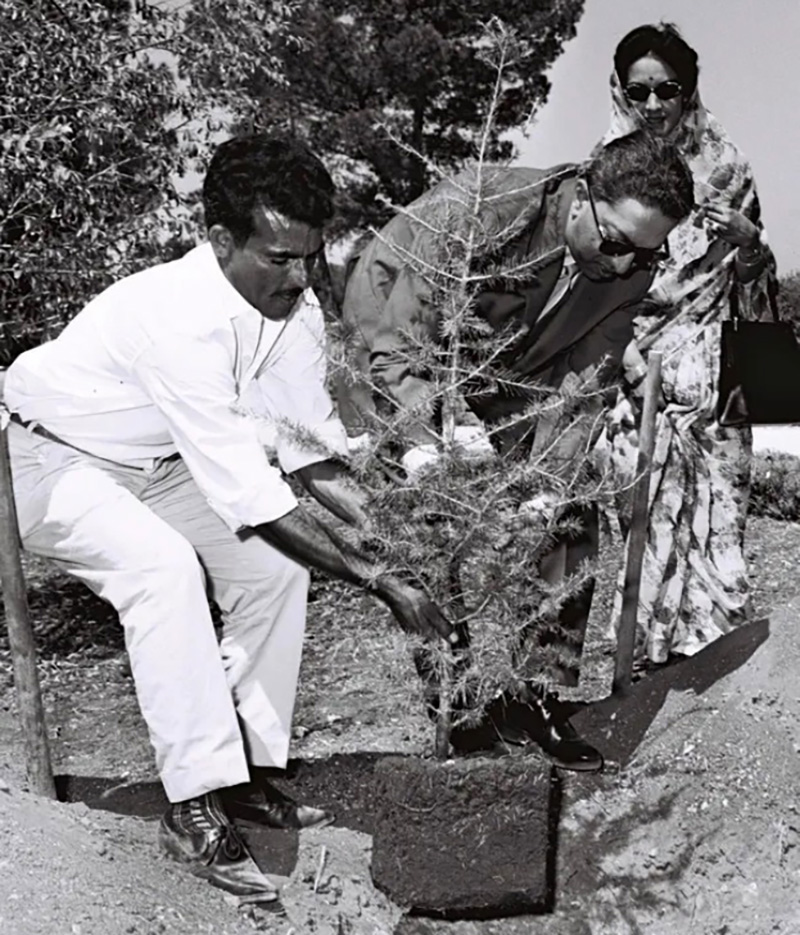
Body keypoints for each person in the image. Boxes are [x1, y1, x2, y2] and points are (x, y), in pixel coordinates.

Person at [1, 135, 454, 902]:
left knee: (273, 569)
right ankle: (193, 804)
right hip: (46, 459)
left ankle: (244, 773)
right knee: (162, 571)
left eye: (309, 256)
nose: (298, 276)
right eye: (277, 257)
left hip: (158, 461)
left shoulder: (296, 308)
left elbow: (308, 454)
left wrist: (396, 547)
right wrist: (382, 581)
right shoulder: (175, 320)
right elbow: (250, 493)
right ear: (220, 241)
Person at [341, 130, 695, 771]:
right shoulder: (485, 209)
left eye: (644, 253)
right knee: (427, 524)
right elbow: (397, 345)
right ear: (581, 194)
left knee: (570, 508)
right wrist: (429, 441)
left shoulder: (629, 261)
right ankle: (459, 703)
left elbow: (583, 377)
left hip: (518, 363)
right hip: (399, 342)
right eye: (613, 243)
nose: (621, 267)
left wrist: (547, 484)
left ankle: (539, 693)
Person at [593, 23, 777, 666]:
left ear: (689, 91)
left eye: (668, 90)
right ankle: (654, 659)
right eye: (639, 91)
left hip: (718, 368)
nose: (653, 106)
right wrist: (623, 352)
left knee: (723, 515)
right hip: (634, 364)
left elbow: (757, 286)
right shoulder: (605, 167)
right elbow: (593, 277)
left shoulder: (729, 168)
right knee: (646, 514)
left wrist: (750, 241)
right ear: (620, 91)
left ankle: (720, 659)